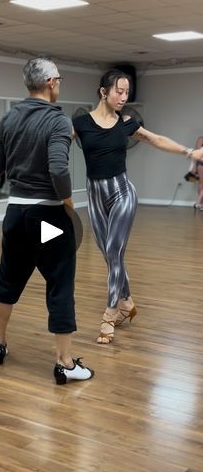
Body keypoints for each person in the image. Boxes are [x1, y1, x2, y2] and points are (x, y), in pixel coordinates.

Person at [73, 68, 203, 345]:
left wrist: (189, 152)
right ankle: (128, 303)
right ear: (103, 92)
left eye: (126, 93)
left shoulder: (127, 123)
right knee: (111, 257)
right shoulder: (82, 123)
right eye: (119, 91)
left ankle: (109, 315)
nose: (123, 97)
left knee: (113, 250)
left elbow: (155, 139)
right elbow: (56, 143)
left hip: (122, 193)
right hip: (95, 196)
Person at [0, 56, 94, 384]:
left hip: (16, 214)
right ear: (50, 83)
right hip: (47, 217)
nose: (59, 84)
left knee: (8, 280)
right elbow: (58, 169)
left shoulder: (8, 118)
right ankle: (64, 362)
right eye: (59, 79)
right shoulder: (58, 121)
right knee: (60, 282)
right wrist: (68, 202)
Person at [188, 136, 203, 210]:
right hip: (201, 162)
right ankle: (200, 203)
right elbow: (196, 153)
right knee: (201, 183)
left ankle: (199, 203)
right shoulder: (201, 139)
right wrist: (194, 166)